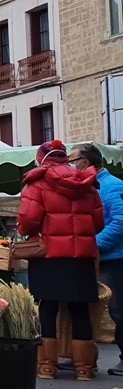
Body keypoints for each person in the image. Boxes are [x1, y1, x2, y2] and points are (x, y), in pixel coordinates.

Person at [17, 140, 104, 381]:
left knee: (48, 306)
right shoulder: (87, 183)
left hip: (50, 255)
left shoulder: (37, 184)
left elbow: (28, 220)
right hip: (81, 257)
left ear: (41, 159)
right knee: (79, 309)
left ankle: (47, 366)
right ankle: (84, 368)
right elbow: (98, 223)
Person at [69, 143, 123, 376]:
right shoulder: (86, 187)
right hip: (92, 257)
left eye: (73, 161)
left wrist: (92, 244)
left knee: (118, 309)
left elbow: (120, 223)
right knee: (88, 308)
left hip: (113, 258)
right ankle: (85, 357)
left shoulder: (113, 186)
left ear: (86, 162)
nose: (71, 166)